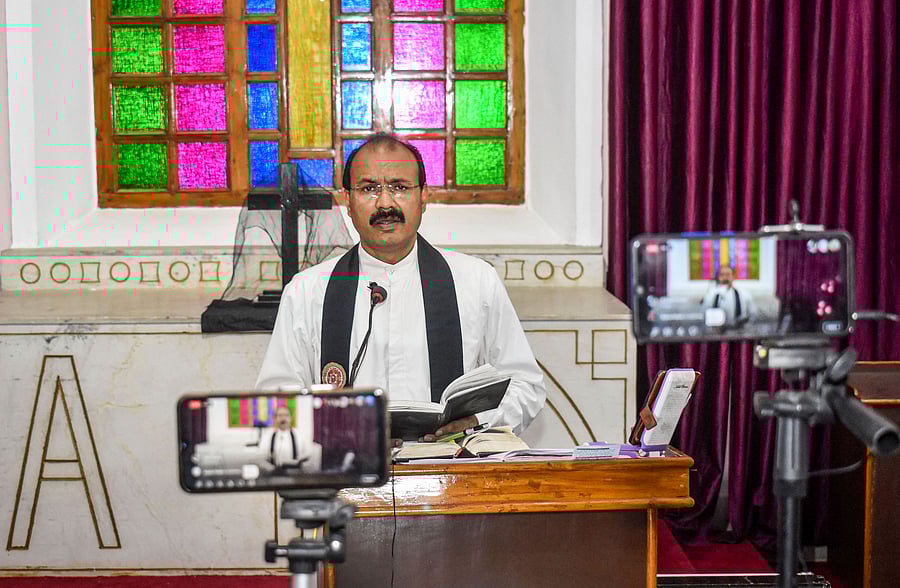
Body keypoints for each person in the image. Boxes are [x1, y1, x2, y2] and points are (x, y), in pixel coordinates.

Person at [256, 133, 546, 440]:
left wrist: (478, 419)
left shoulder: (476, 281)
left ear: (423, 197)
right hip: (348, 474)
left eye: (399, 187)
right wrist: (330, 425)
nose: (385, 203)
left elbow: (525, 384)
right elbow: (275, 398)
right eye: (369, 188)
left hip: (451, 468)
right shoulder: (307, 291)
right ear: (347, 202)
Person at [257, 406, 322, 472]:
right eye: (280, 416)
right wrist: (271, 468)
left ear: (290, 418)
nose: (283, 418)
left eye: (286, 415)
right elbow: (261, 458)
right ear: (274, 418)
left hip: (296, 474)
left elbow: (309, 455)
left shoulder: (301, 435)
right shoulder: (267, 436)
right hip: (273, 474)